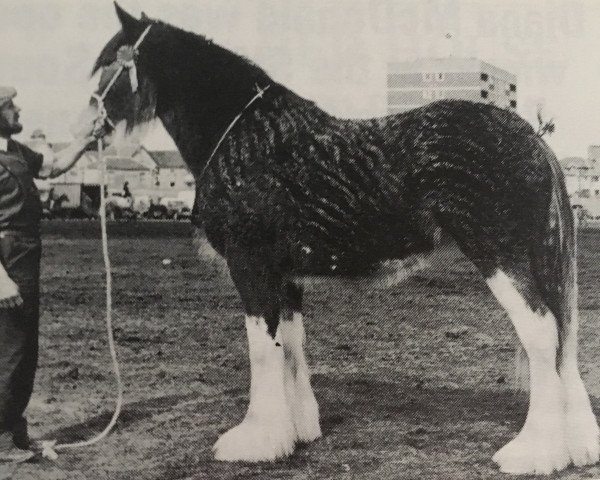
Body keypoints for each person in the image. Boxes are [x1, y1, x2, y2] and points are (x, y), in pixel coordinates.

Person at [0, 87, 100, 462]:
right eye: (9, 105)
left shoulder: (16, 150)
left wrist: (86, 140)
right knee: (8, 347)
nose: (18, 108)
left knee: (24, 346)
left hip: (25, 252)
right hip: (5, 255)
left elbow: (55, 167)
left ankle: (13, 428)